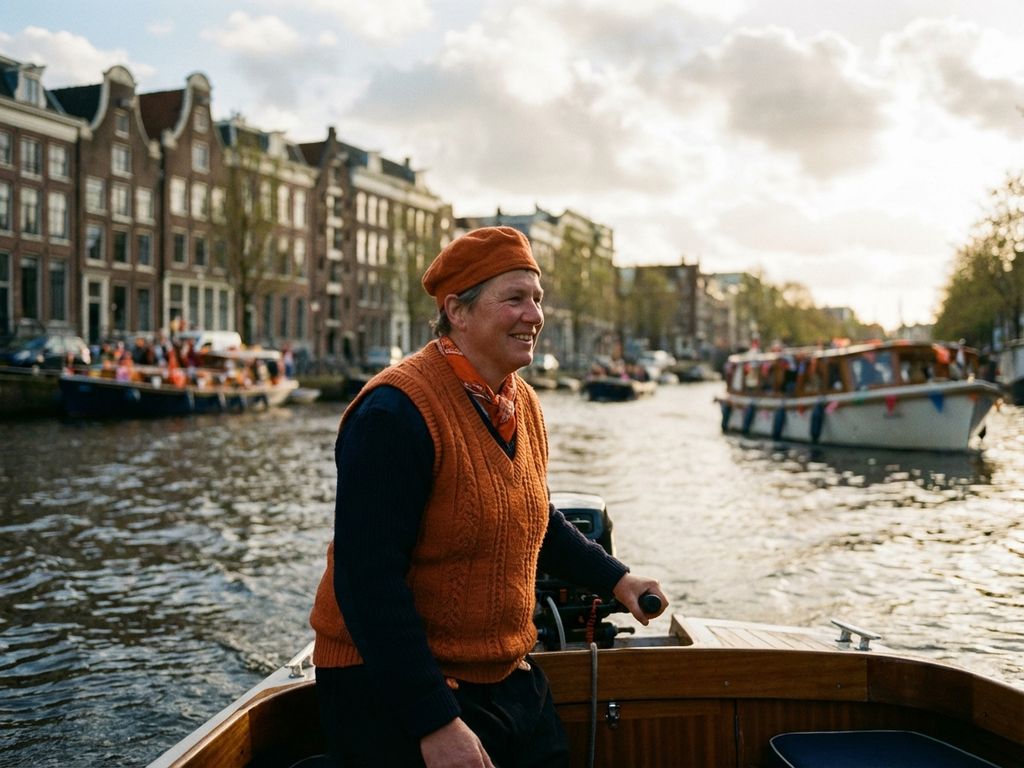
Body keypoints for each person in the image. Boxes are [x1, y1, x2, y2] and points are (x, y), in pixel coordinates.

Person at [309, 226, 668, 768]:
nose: (534, 316)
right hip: (387, 685)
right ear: (457, 309)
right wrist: (433, 720)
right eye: (515, 299)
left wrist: (617, 579)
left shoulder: (519, 402)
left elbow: (533, 516)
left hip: (499, 671)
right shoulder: (394, 414)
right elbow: (367, 584)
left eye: (537, 299)